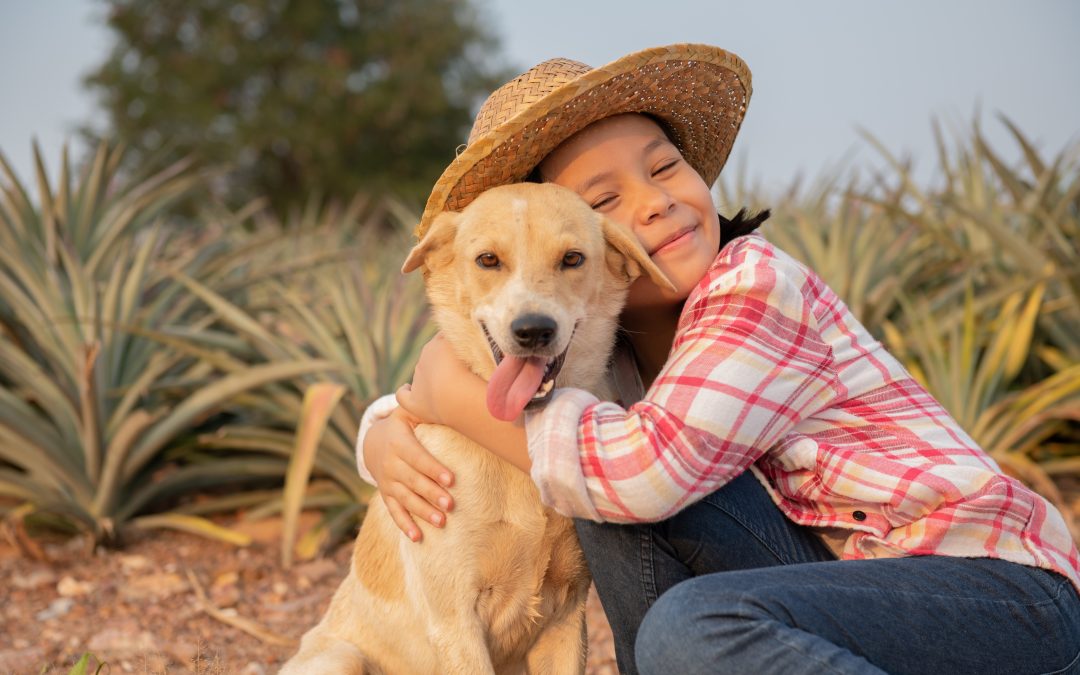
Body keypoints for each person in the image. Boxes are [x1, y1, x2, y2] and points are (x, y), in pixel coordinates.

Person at [358, 44, 1080, 674]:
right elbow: (499, 366)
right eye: (604, 199)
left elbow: (636, 473)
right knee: (609, 499)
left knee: (685, 618)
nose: (654, 203)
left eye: (665, 168)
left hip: (998, 596)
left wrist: (439, 400)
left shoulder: (754, 286)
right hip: (839, 589)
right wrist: (387, 424)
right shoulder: (603, 348)